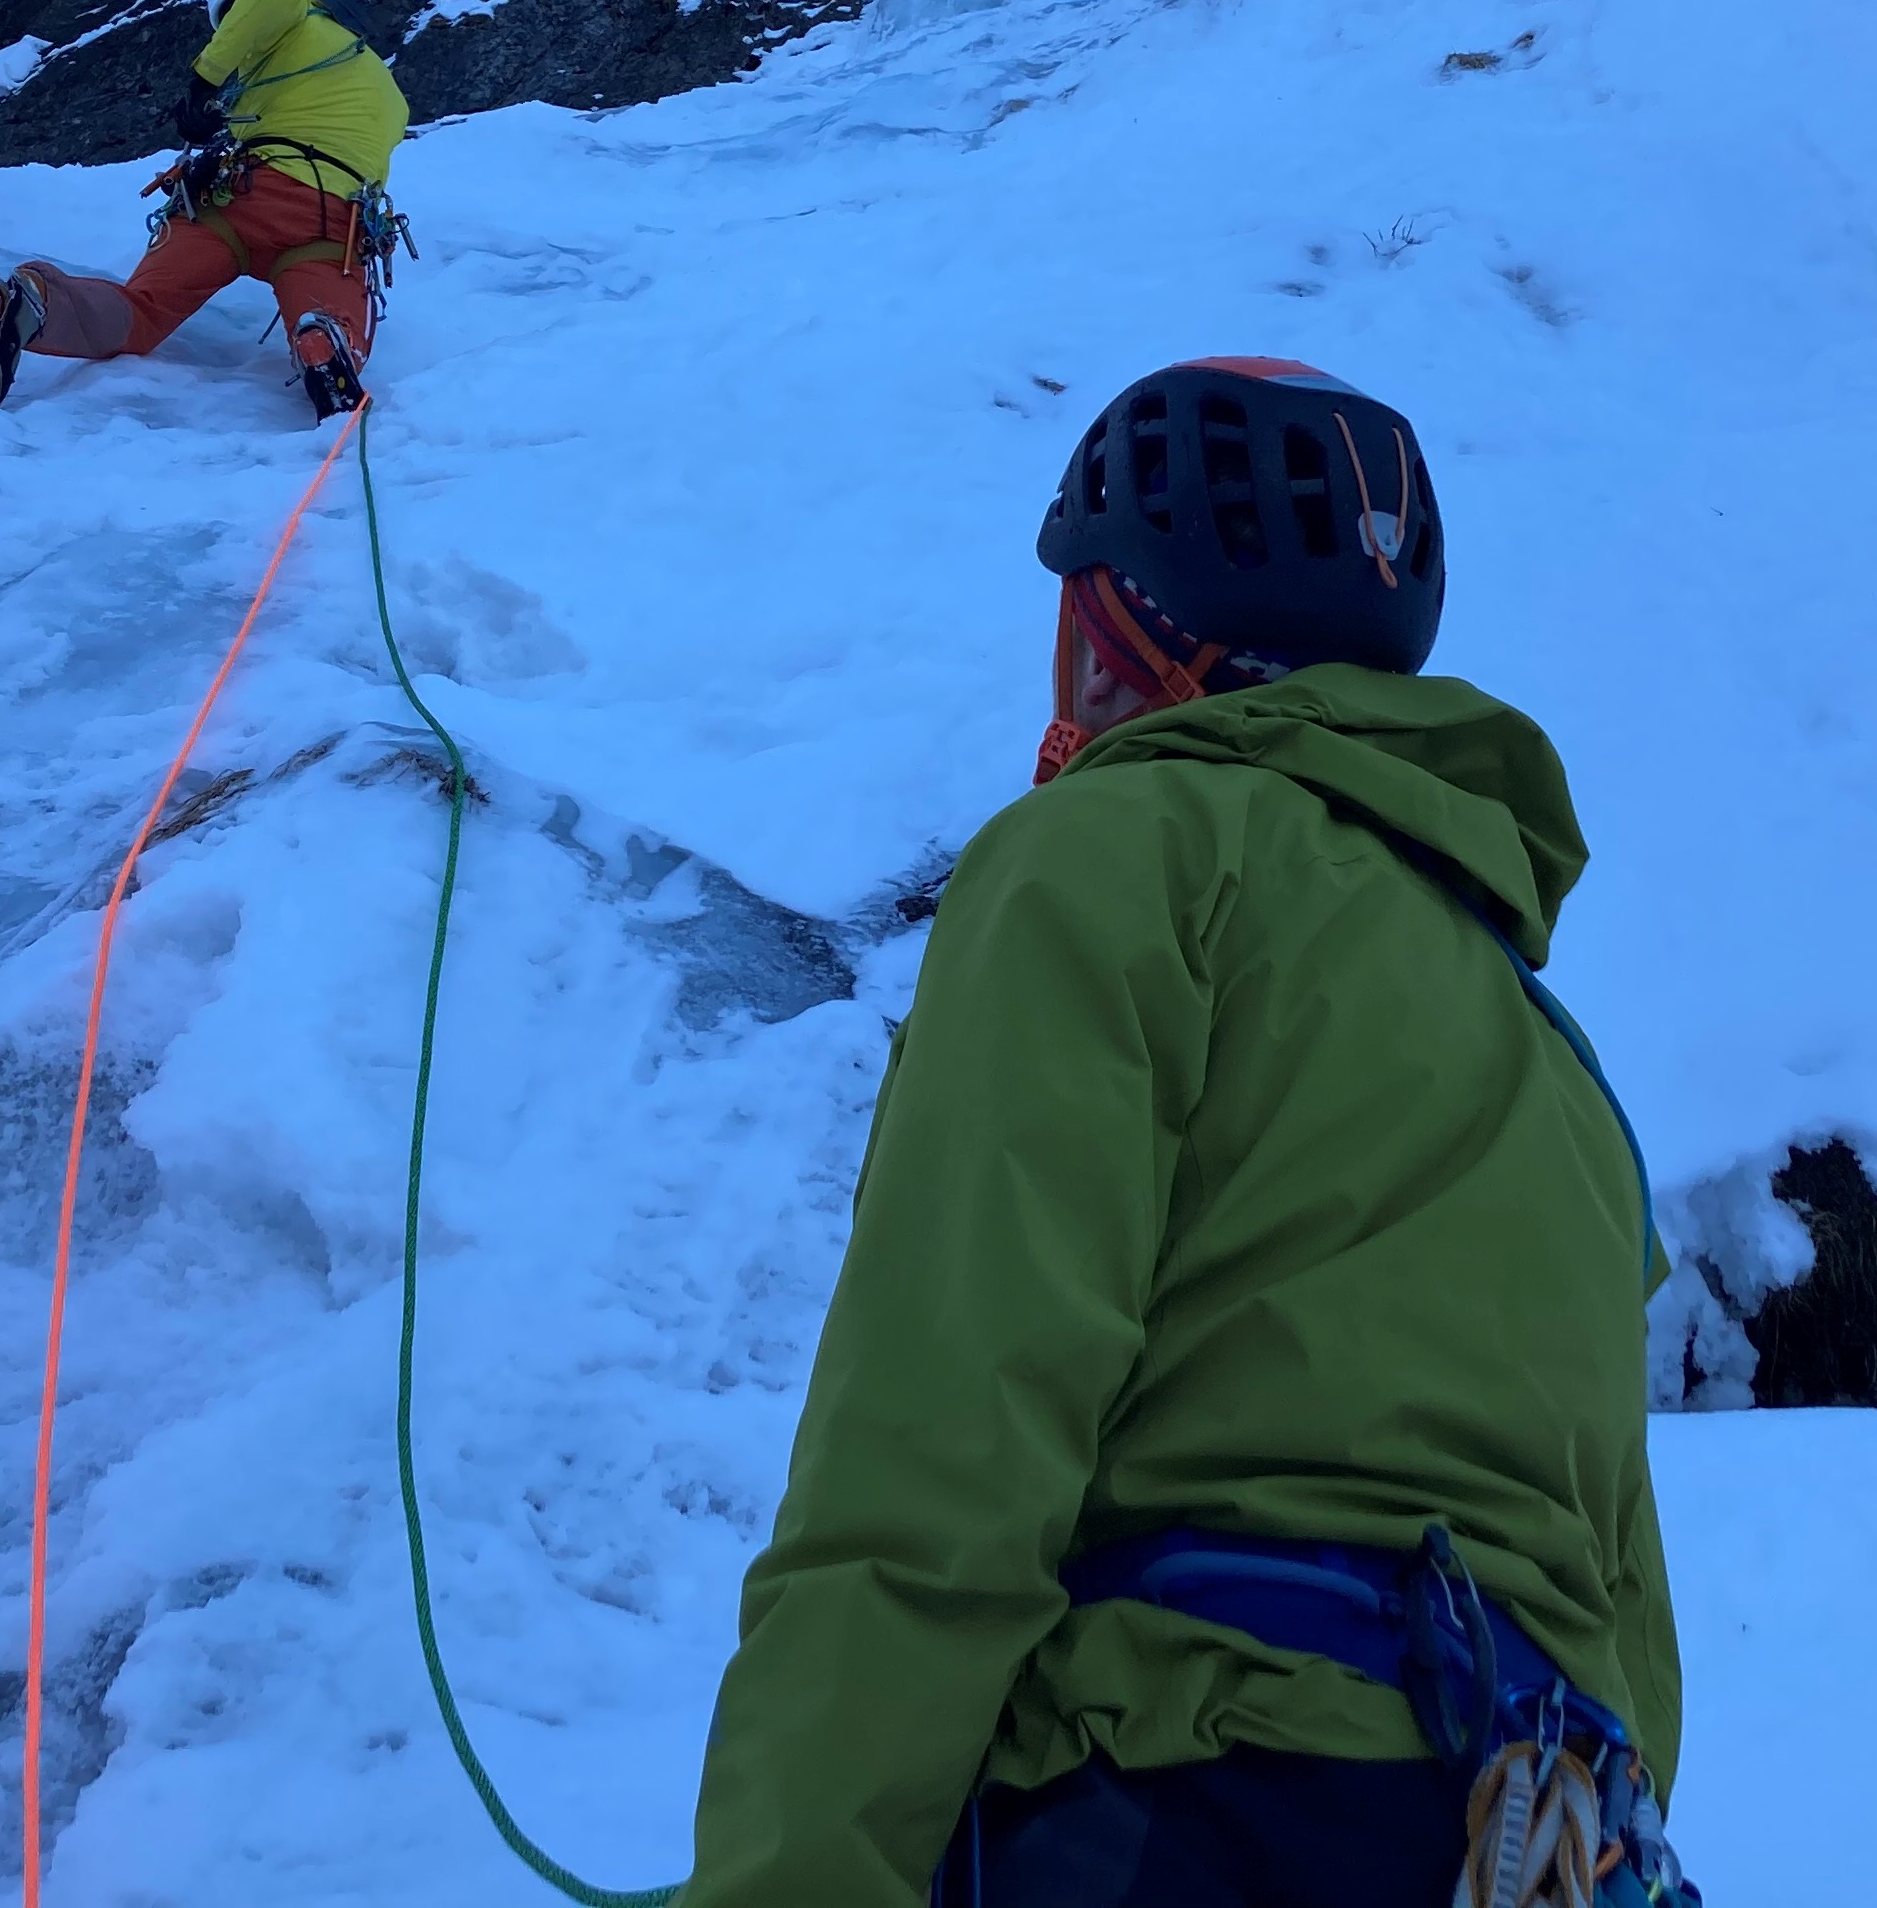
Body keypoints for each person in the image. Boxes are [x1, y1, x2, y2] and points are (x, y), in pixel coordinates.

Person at [680, 359, 1694, 1908]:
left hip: (1185, 1809)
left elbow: (945, 1444)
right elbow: (1627, 1616)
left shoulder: (1118, 855)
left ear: (1124, 643)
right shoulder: (1556, 1062)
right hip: (1538, 1839)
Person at [0, 0, 410, 415]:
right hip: (329, 225)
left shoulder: (295, 13)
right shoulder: (386, 92)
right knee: (333, 318)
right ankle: (326, 343)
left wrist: (202, 83)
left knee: (141, 314)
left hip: (235, 201)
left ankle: (32, 302)